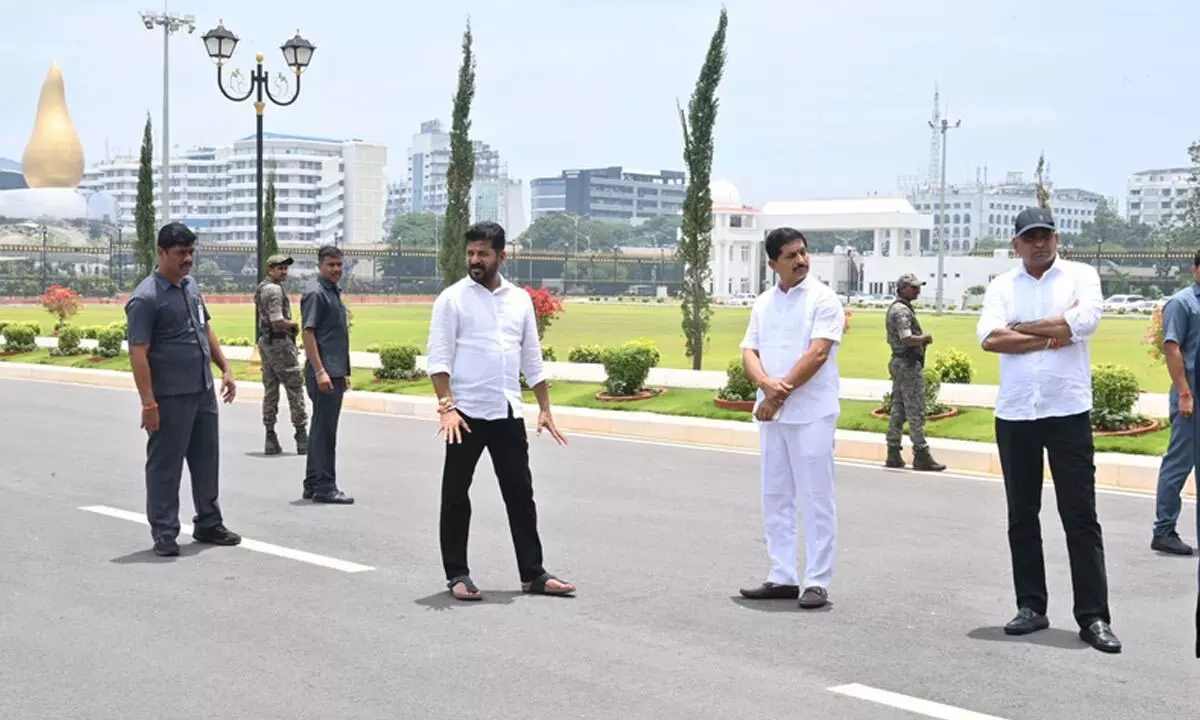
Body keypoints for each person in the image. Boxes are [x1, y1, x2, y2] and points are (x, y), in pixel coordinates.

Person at [975, 207, 1120, 653]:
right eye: (1030, 237)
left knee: (1080, 516)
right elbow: (990, 338)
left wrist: (1022, 328)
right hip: (1017, 414)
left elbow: (1086, 322)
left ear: (1056, 238)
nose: (1039, 243)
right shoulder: (1002, 285)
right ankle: (1031, 606)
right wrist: (1056, 333)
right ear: (1016, 243)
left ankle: (1093, 617)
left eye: (1046, 235)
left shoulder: (1080, 276)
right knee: (1022, 515)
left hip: (1067, 411)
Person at [426, 220, 575, 602]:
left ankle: (533, 573)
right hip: (466, 415)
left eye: (483, 254)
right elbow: (439, 359)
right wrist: (446, 407)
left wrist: (544, 407)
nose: (475, 260)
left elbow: (532, 358)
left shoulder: (519, 300)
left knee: (520, 495)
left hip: (507, 411)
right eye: (471, 253)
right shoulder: (452, 298)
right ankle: (457, 574)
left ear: (501, 256)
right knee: (456, 496)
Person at [738, 227, 844, 610]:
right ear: (772, 264)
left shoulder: (823, 299)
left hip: (812, 413)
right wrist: (766, 385)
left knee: (816, 496)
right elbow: (749, 350)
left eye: (803, 252)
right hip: (772, 414)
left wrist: (776, 394)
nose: (801, 260)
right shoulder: (764, 302)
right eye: (790, 256)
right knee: (775, 494)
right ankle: (782, 574)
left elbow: (817, 355)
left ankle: (816, 580)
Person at [125, 222, 242, 557]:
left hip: (202, 390)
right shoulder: (146, 298)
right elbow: (138, 353)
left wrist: (226, 368)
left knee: (207, 461)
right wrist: (148, 403)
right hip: (170, 396)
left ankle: (208, 521)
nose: (188, 259)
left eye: (191, 252)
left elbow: (205, 328)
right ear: (161, 253)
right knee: (165, 465)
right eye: (180, 253)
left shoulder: (190, 286)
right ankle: (164, 531)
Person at [1151, 254, 1200, 556]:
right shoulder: (1182, 303)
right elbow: (1172, 348)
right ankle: (1164, 530)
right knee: (1179, 464)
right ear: (1195, 268)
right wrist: (1184, 392)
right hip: (1191, 396)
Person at [299, 244, 354, 505]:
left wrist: (343, 371)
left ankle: (312, 483)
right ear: (320, 266)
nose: (336, 270)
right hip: (324, 373)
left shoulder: (332, 293)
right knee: (325, 431)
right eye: (331, 265)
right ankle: (325, 486)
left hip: (334, 371)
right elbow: (308, 333)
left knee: (320, 428)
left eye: (339, 265)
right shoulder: (316, 294)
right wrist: (321, 371)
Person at [884, 273, 945, 472]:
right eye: (913, 287)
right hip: (908, 363)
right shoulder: (902, 311)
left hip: (899, 362)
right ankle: (921, 453)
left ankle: (893, 451)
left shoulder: (898, 307)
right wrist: (924, 338)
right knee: (915, 409)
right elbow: (907, 338)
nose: (918, 291)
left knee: (899, 406)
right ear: (902, 289)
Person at [255, 254, 309, 456]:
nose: (284, 272)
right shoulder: (275, 290)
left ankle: (270, 434)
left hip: (266, 343)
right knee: (294, 387)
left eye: (285, 268)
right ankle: (301, 435)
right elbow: (277, 320)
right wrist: (294, 325)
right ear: (270, 270)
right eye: (280, 268)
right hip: (280, 343)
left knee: (270, 389)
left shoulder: (262, 288)